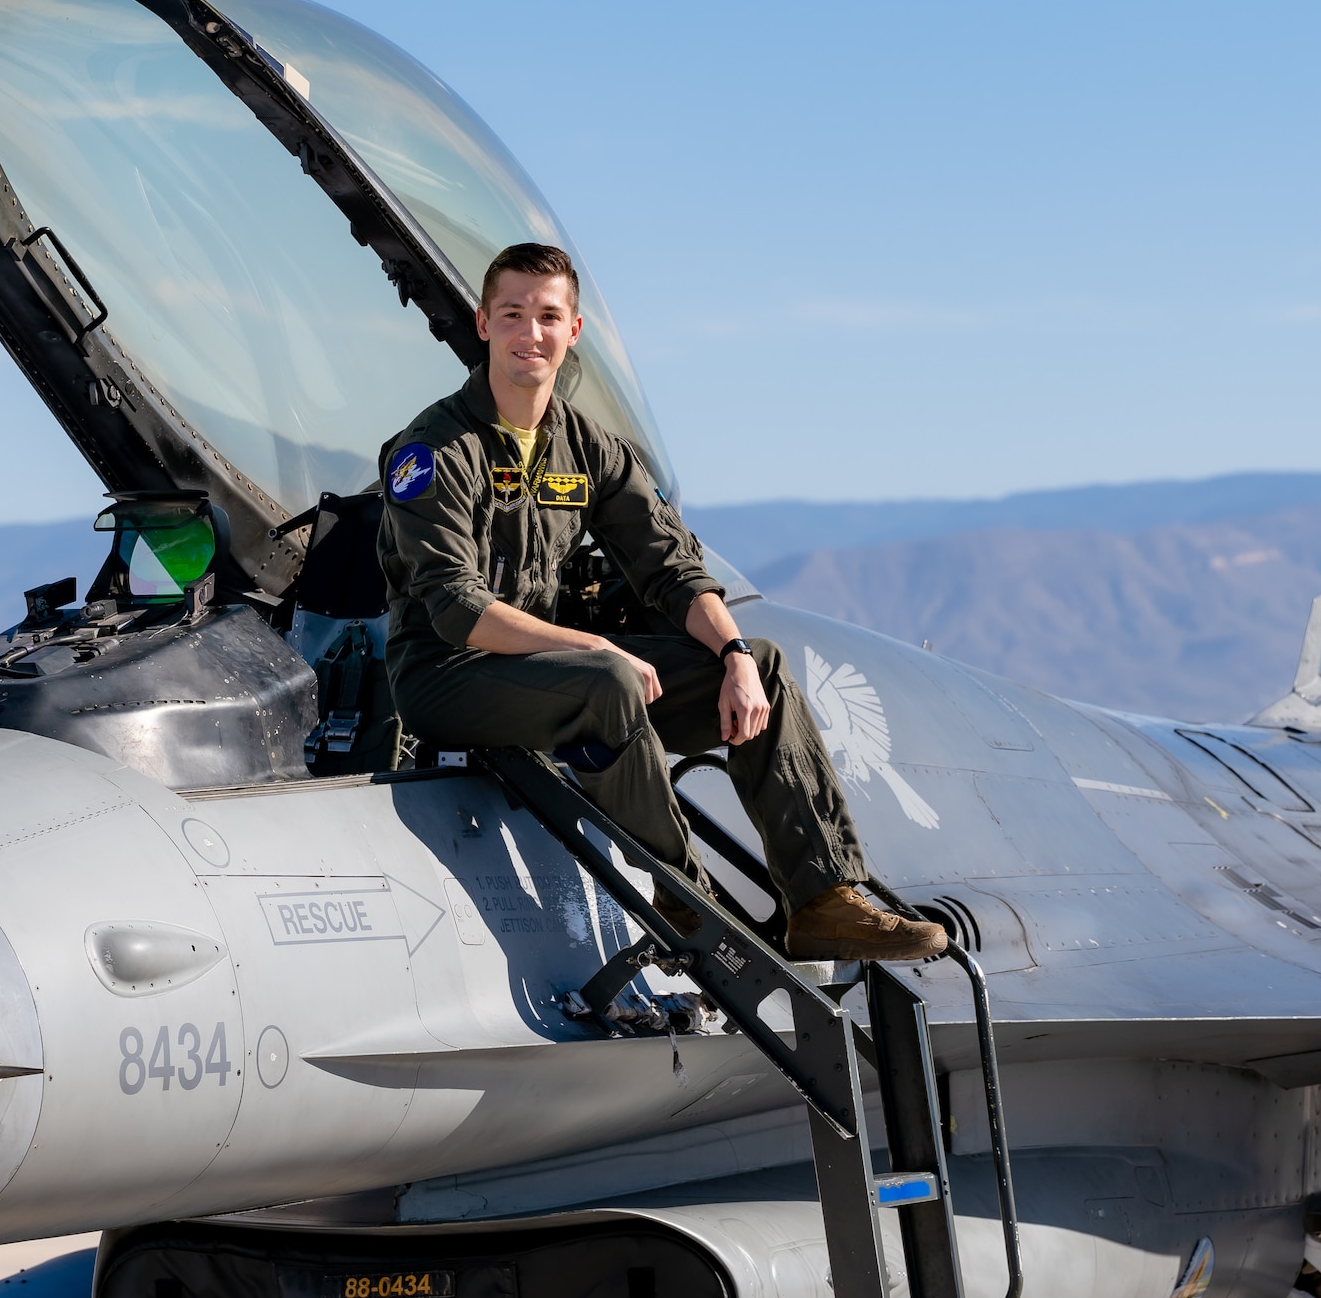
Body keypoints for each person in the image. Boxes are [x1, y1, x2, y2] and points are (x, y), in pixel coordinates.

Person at [374, 242, 946, 963]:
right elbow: (456, 608)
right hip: (446, 674)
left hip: (547, 670)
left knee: (762, 667)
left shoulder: (589, 449)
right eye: (514, 314)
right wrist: (594, 646)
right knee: (607, 679)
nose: (532, 333)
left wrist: (733, 655)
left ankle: (825, 898)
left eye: (548, 316)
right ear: (485, 323)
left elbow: (671, 568)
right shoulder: (434, 448)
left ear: (572, 331)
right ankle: (683, 894)